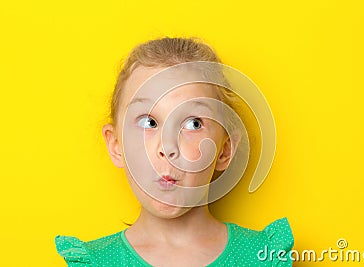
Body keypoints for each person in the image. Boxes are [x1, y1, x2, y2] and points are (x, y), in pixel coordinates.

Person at [55, 37, 294, 266]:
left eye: (193, 124)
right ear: (116, 146)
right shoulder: (96, 262)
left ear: (224, 150)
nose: (168, 147)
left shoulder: (263, 257)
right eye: (148, 122)